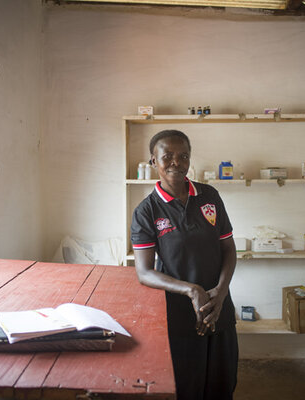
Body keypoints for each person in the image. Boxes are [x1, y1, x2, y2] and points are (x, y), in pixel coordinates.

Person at [130, 129, 238, 400]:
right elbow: (144, 273)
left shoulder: (209, 196)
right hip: (178, 315)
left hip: (219, 307)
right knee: (186, 387)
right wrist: (191, 290)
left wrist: (221, 291)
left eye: (183, 156)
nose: (175, 162)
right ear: (154, 161)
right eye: (167, 156)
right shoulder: (147, 211)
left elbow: (228, 247)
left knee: (222, 384)